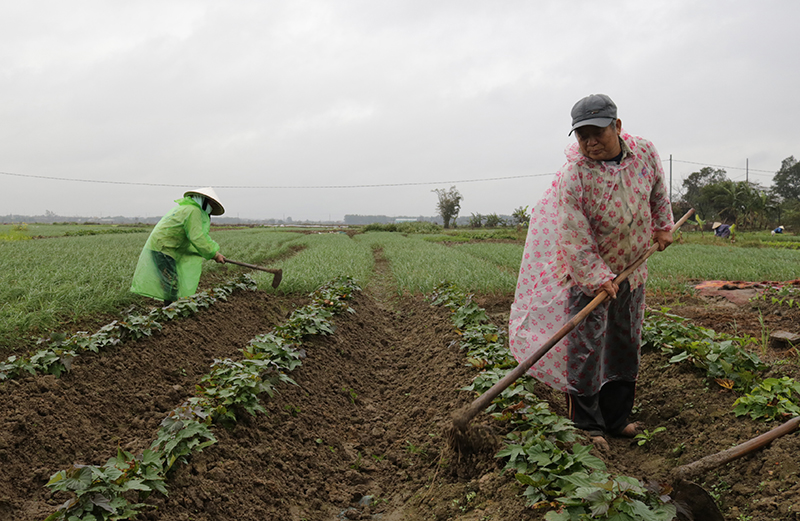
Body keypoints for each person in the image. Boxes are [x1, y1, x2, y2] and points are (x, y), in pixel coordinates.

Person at [508, 94, 674, 451]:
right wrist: (597, 275)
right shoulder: (576, 176)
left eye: (597, 132)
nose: (590, 142)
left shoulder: (644, 153)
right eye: (582, 135)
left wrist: (663, 226)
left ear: (617, 126)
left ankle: (616, 420)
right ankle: (586, 425)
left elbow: (659, 190)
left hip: (632, 270)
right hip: (588, 278)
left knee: (624, 343)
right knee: (586, 350)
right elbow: (573, 235)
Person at [131, 187, 226, 306]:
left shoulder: (184, 208)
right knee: (171, 283)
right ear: (204, 200)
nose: (211, 208)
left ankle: (170, 309)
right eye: (211, 204)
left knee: (170, 282)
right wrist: (214, 254)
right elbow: (197, 237)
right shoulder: (193, 211)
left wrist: (211, 253)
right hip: (164, 248)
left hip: (161, 246)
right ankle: (170, 311)